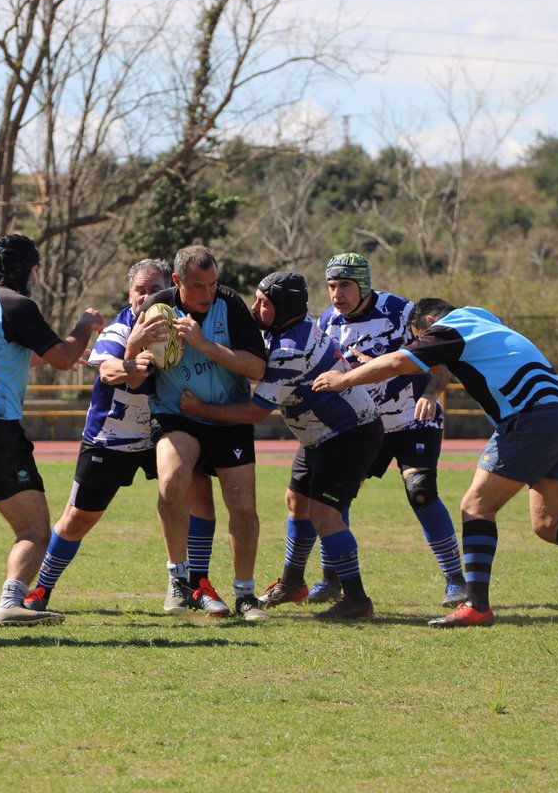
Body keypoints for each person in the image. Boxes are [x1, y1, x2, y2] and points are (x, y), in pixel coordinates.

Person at [313, 297, 558, 627]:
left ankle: (476, 606)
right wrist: (381, 362)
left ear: (429, 324)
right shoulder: (479, 316)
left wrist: (343, 379)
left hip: (530, 418)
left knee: (475, 506)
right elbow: (426, 360)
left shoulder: (446, 330)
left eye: (421, 338)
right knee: (548, 523)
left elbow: (400, 362)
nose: (425, 346)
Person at [182, 272, 385, 619]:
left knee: (325, 513)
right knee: (297, 501)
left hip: (349, 434)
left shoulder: (291, 348)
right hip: (318, 436)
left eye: (264, 302)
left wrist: (201, 408)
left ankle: (357, 598)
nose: (254, 307)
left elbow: (257, 411)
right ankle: (292, 583)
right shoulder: (287, 328)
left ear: (284, 307)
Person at [21, 259, 219, 613]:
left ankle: (188, 581)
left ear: (169, 290)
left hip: (163, 430)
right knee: (78, 518)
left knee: (196, 491)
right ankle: (41, 589)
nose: (145, 297)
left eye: (153, 289)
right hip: (112, 437)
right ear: (130, 294)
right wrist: (134, 350)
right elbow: (112, 372)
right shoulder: (118, 329)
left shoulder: (183, 325)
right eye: (139, 290)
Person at [0, 234, 104, 626]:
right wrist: (83, 327)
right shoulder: (17, 303)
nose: (36, 276)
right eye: (34, 269)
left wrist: (57, 351)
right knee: (34, 530)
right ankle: (12, 601)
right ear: (24, 269)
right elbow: (62, 359)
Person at [308, 252, 466, 608]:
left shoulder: (399, 311)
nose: (337, 294)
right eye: (331, 286)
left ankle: (457, 580)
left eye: (344, 286)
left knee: (420, 490)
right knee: (334, 497)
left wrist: (430, 391)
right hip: (364, 426)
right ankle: (332, 578)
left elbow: (442, 356)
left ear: (363, 284)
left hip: (413, 419)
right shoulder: (328, 322)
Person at [126, 245, 269, 620]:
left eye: (212, 284)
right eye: (197, 285)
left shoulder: (229, 305)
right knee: (171, 479)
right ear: (176, 281)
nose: (206, 293)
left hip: (227, 416)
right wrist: (137, 351)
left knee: (241, 506)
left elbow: (255, 368)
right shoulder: (157, 307)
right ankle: (179, 579)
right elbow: (131, 361)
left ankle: (246, 594)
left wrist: (204, 344)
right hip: (176, 415)